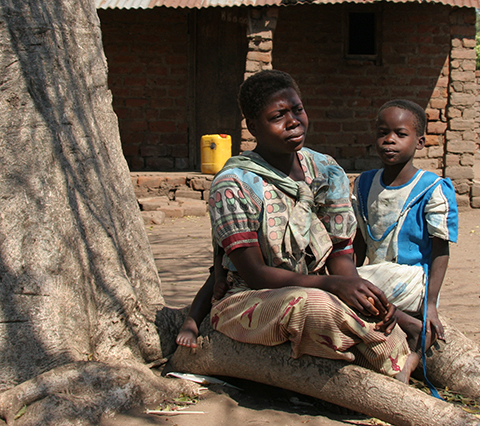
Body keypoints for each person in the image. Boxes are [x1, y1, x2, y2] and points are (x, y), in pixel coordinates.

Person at [176, 70, 416, 381]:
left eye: (298, 110)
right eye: (278, 115)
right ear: (253, 126)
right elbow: (254, 273)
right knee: (316, 308)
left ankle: (391, 356)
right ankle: (387, 361)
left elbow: (341, 253)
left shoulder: (326, 170)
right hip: (250, 298)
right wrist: (332, 286)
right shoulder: (234, 183)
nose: (293, 121)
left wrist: (354, 289)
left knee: (366, 304)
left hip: (316, 286)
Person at [352, 99, 458, 378]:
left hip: (411, 279)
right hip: (377, 276)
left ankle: (414, 330)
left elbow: (440, 249)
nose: (389, 140)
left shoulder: (432, 188)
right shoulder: (364, 184)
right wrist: (349, 276)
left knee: (349, 292)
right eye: (383, 132)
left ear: (420, 142)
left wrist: (431, 304)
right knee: (343, 286)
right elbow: (360, 240)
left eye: (401, 134)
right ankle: (406, 332)